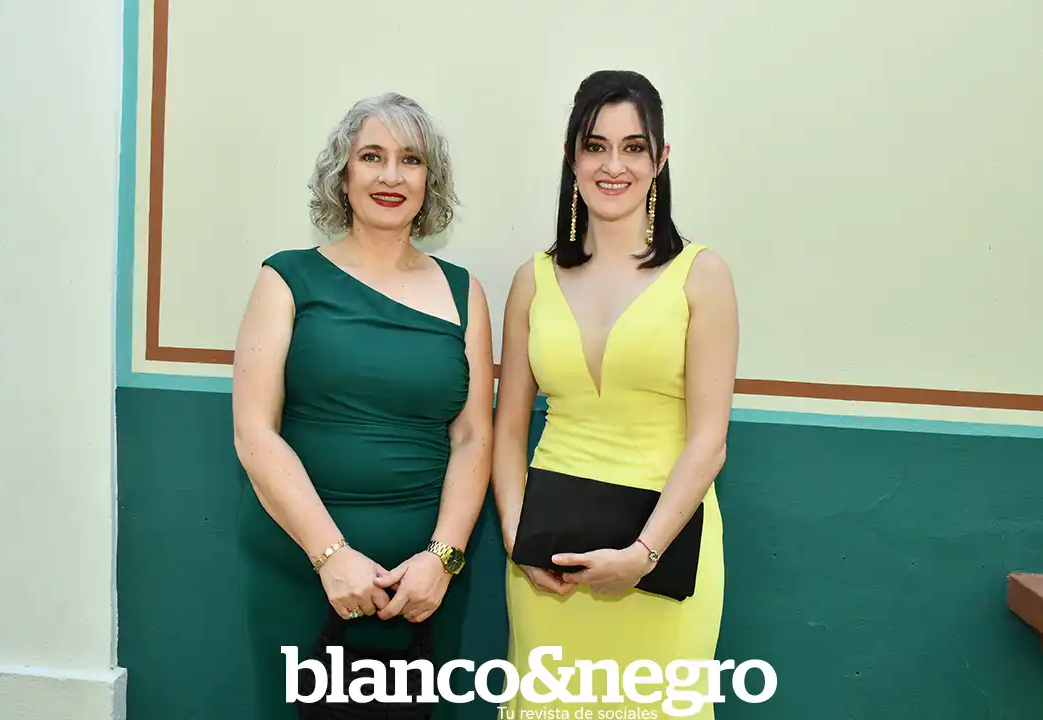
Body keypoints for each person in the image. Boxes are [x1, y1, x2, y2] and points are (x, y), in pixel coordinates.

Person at [231, 92, 493, 720]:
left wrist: (442, 560)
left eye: (410, 159)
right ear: (342, 175)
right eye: (372, 156)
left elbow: (474, 438)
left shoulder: (465, 292)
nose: (391, 176)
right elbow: (255, 432)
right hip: (300, 570)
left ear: (430, 180)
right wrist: (331, 556)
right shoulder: (286, 277)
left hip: (423, 588)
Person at [492, 70, 739, 719]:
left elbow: (709, 442)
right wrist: (518, 541)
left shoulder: (702, 275)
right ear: (571, 157)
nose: (613, 165)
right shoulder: (531, 280)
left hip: (666, 554)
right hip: (550, 570)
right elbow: (507, 431)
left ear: (660, 159)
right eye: (595, 146)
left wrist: (642, 555)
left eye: (634, 147)